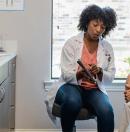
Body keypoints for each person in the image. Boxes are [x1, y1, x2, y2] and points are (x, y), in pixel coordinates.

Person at [45, 4, 117, 132]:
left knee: (107, 110)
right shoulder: (71, 43)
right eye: (95, 25)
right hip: (70, 86)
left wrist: (100, 72)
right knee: (73, 102)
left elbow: (110, 77)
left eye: (103, 27)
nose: (98, 30)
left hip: (94, 89)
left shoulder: (107, 47)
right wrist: (80, 74)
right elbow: (66, 74)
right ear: (86, 22)